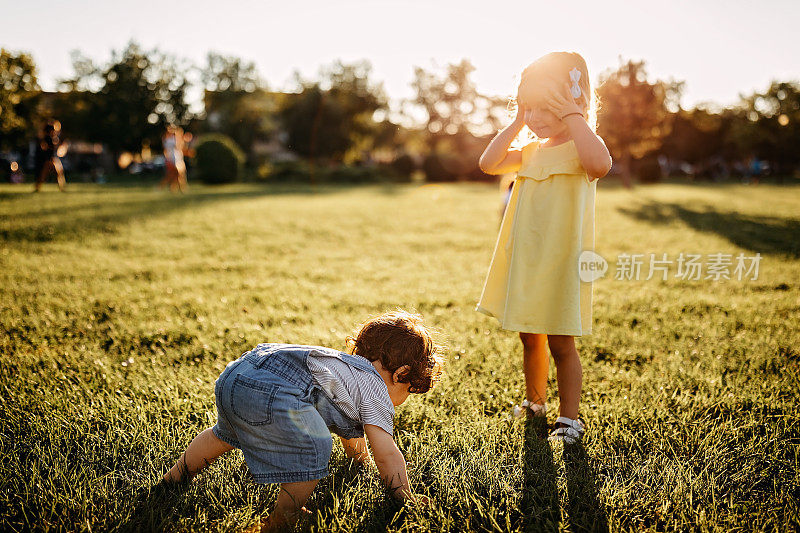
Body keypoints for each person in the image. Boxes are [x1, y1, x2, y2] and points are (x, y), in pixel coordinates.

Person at [162, 310, 443, 531]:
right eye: (408, 390)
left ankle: (174, 477)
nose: (404, 397)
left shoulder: (345, 370)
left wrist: (360, 460)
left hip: (238, 374)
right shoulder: (376, 389)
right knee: (313, 450)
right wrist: (404, 496)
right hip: (275, 392)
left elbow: (351, 430)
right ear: (401, 374)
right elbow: (387, 454)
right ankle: (283, 519)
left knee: (222, 436)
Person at [475, 52, 612, 444]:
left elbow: (600, 164)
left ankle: (570, 419)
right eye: (527, 107)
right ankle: (535, 403)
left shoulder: (583, 146)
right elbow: (489, 162)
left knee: (561, 341)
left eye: (542, 108)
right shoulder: (532, 151)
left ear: (574, 101)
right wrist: (518, 120)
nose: (534, 117)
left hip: (563, 262)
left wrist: (573, 116)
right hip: (528, 259)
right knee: (528, 335)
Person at [34, 120, 68, 192]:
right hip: (49, 159)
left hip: (53, 158)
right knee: (47, 174)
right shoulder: (47, 138)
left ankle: (62, 188)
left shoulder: (53, 138)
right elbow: (45, 147)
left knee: (58, 173)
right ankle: (61, 188)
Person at [159, 125, 187, 192]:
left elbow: (180, 146)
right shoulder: (165, 139)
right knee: (172, 174)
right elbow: (165, 149)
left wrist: (178, 136)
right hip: (171, 158)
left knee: (180, 174)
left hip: (178, 158)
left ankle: (181, 187)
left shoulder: (176, 137)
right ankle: (172, 188)